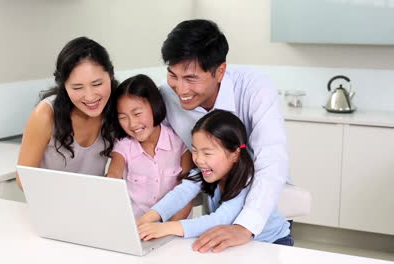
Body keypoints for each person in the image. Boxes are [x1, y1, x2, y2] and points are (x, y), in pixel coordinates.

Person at [159, 19, 289, 252]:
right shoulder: (166, 96)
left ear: (220, 71)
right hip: (216, 219)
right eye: (173, 76)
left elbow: (271, 160)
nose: (180, 89)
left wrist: (245, 226)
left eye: (191, 78)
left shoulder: (254, 88)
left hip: (260, 222)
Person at [137, 110, 292, 247]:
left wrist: (166, 227)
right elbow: (180, 193)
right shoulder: (205, 170)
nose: (198, 159)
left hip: (272, 244)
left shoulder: (247, 180)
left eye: (207, 153)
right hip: (237, 245)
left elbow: (219, 220)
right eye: (195, 150)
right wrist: (146, 219)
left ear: (235, 154)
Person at [16, 36, 117, 187]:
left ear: (110, 76)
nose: (90, 97)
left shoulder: (118, 109)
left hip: (93, 205)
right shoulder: (45, 115)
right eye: (77, 87)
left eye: (97, 84)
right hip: (51, 204)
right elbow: (23, 179)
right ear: (64, 86)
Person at [106, 74, 194, 219]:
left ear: (154, 106)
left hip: (174, 228)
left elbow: (186, 194)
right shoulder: (123, 146)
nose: (132, 124)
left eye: (137, 113)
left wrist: (166, 230)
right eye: (123, 117)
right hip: (138, 230)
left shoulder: (180, 142)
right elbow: (113, 176)